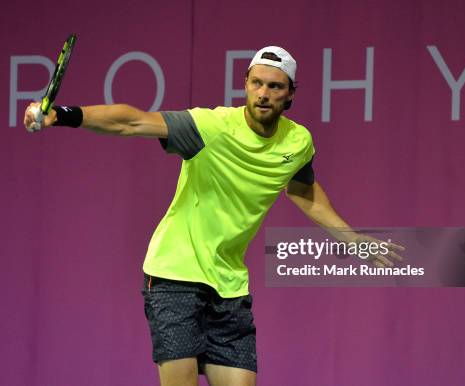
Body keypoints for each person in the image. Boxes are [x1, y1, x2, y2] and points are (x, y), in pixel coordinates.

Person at [23, 46, 403, 386]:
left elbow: (303, 191)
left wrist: (352, 238)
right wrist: (62, 114)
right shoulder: (210, 127)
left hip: (230, 284)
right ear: (246, 84)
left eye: (275, 86)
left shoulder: (298, 141)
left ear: (290, 94)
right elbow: (132, 121)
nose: (264, 94)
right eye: (257, 83)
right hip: (174, 274)